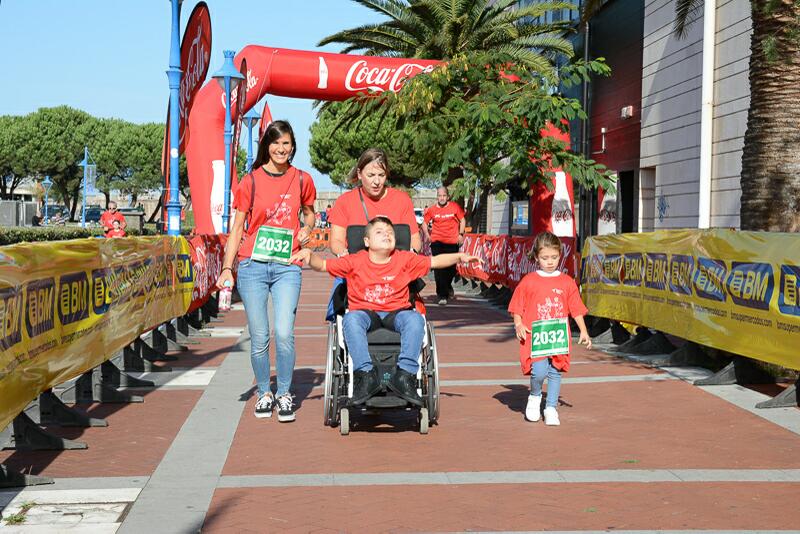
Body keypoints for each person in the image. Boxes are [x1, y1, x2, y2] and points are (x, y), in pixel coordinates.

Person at [292, 216, 480, 405]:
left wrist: (459, 257)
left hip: (396, 313)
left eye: (390, 232)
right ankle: (366, 376)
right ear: (367, 241)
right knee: (351, 319)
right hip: (366, 313)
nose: (387, 235)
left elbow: (435, 261)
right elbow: (323, 265)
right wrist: (309, 255)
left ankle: (404, 376)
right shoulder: (355, 260)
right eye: (380, 232)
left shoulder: (405, 259)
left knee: (415, 319)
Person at [216, 120, 317, 423]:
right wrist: (226, 267)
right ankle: (264, 392)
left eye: (286, 143)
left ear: (293, 146)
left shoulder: (302, 179)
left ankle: (285, 393)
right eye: (275, 143)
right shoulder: (251, 182)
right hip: (252, 266)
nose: (281, 149)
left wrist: (307, 231)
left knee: (284, 333)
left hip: (287, 267)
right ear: (266, 146)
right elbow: (237, 229)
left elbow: (310, 215)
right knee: (259, 336)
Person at [507, 232, 592, 426]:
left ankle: (551, 407)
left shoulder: (566, 282)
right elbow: (517, 306)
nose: (550, 262)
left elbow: (576, 308)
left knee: (555, 371)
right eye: (545, 258)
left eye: (554, 257)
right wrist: (518, 324)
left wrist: (584, 331)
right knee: (538, 371)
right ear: (537, 256)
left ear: (560, 255)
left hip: (558, 335)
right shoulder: (529, 280)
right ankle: (535, 396)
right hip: (536, 336)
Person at [328, 148, 420, 255]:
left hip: (396, 269)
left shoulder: (402, 200)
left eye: (381, 175)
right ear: (359, 174)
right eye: (371, 175)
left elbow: (415, 239)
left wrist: (413, 253)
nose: (377, 181)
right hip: (358, 269)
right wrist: (344, 255)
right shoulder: (344, 201)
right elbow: (336, 241)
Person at [422, 187, 466, 306]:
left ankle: (447, 286)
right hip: (437, 242)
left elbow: (462, 220)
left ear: (447, 197)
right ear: (437, 196)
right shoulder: (431, 210)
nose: (441, 198)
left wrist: (461, 234)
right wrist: (427, 235)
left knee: (451, 269)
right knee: (439, 269)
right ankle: (442, 295)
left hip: (452, 242)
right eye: (439, 196)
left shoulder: (454, 207)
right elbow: (424, 223)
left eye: (444, 196)